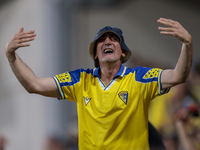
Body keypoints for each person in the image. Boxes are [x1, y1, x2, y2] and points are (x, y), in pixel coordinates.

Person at [5, 18, 193, 150]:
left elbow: (178, 75)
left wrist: (187, 44)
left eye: (113, 39)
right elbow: (34, 85)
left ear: (122, 53)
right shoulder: (80, 80)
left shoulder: (139, 78)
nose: (107, 42)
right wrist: (11, 56)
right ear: (95, 54)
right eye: (101, 40)